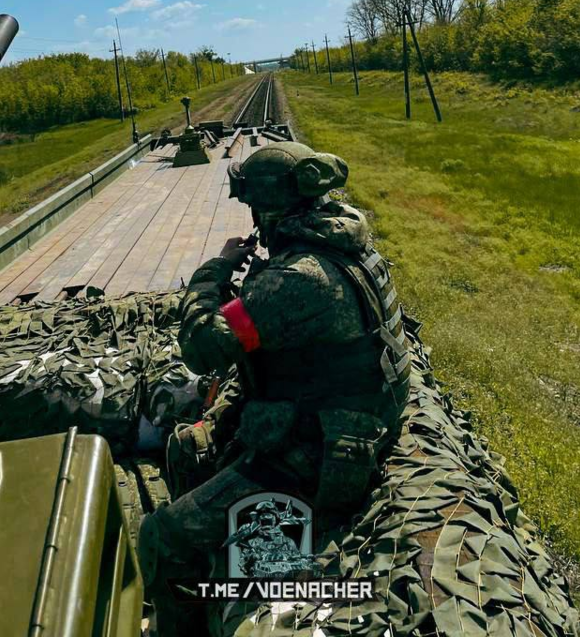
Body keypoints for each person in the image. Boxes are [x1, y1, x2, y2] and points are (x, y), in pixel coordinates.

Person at [138, 140, 410, 636]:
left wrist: (215, 272)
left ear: (268, 206)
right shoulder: (348, 242)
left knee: (162, 536)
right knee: (198, 444)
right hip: (353, 423)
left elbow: (203, 347)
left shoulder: (298, 278)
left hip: (317, 453)